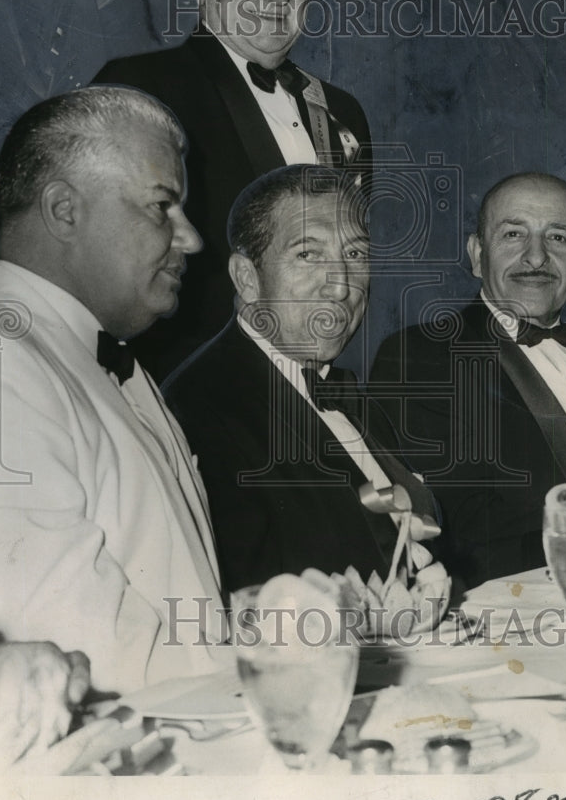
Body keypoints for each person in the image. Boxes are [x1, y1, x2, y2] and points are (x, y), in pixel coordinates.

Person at [0, 86, 226, 696]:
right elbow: (78, 646)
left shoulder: (105, 358)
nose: (190, 239)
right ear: (64, 211)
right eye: (162, 206)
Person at [94, 0, 371, 378]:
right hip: (182, 393)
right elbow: (108, 270)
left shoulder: (342, 111)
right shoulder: (141, 89)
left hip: (309, 398)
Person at [163, 165, 439, 594]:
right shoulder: (199, 411)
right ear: (247, 278)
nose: (341, 287)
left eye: (354, 255)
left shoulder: (347, 392)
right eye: (308, 254)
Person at [371, 172, 566, 593]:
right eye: (513, 234)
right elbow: (463, 533)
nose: (536, 257)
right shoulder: (418, 358)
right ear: (476, 254)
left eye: (558, 238)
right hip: (527, 615)